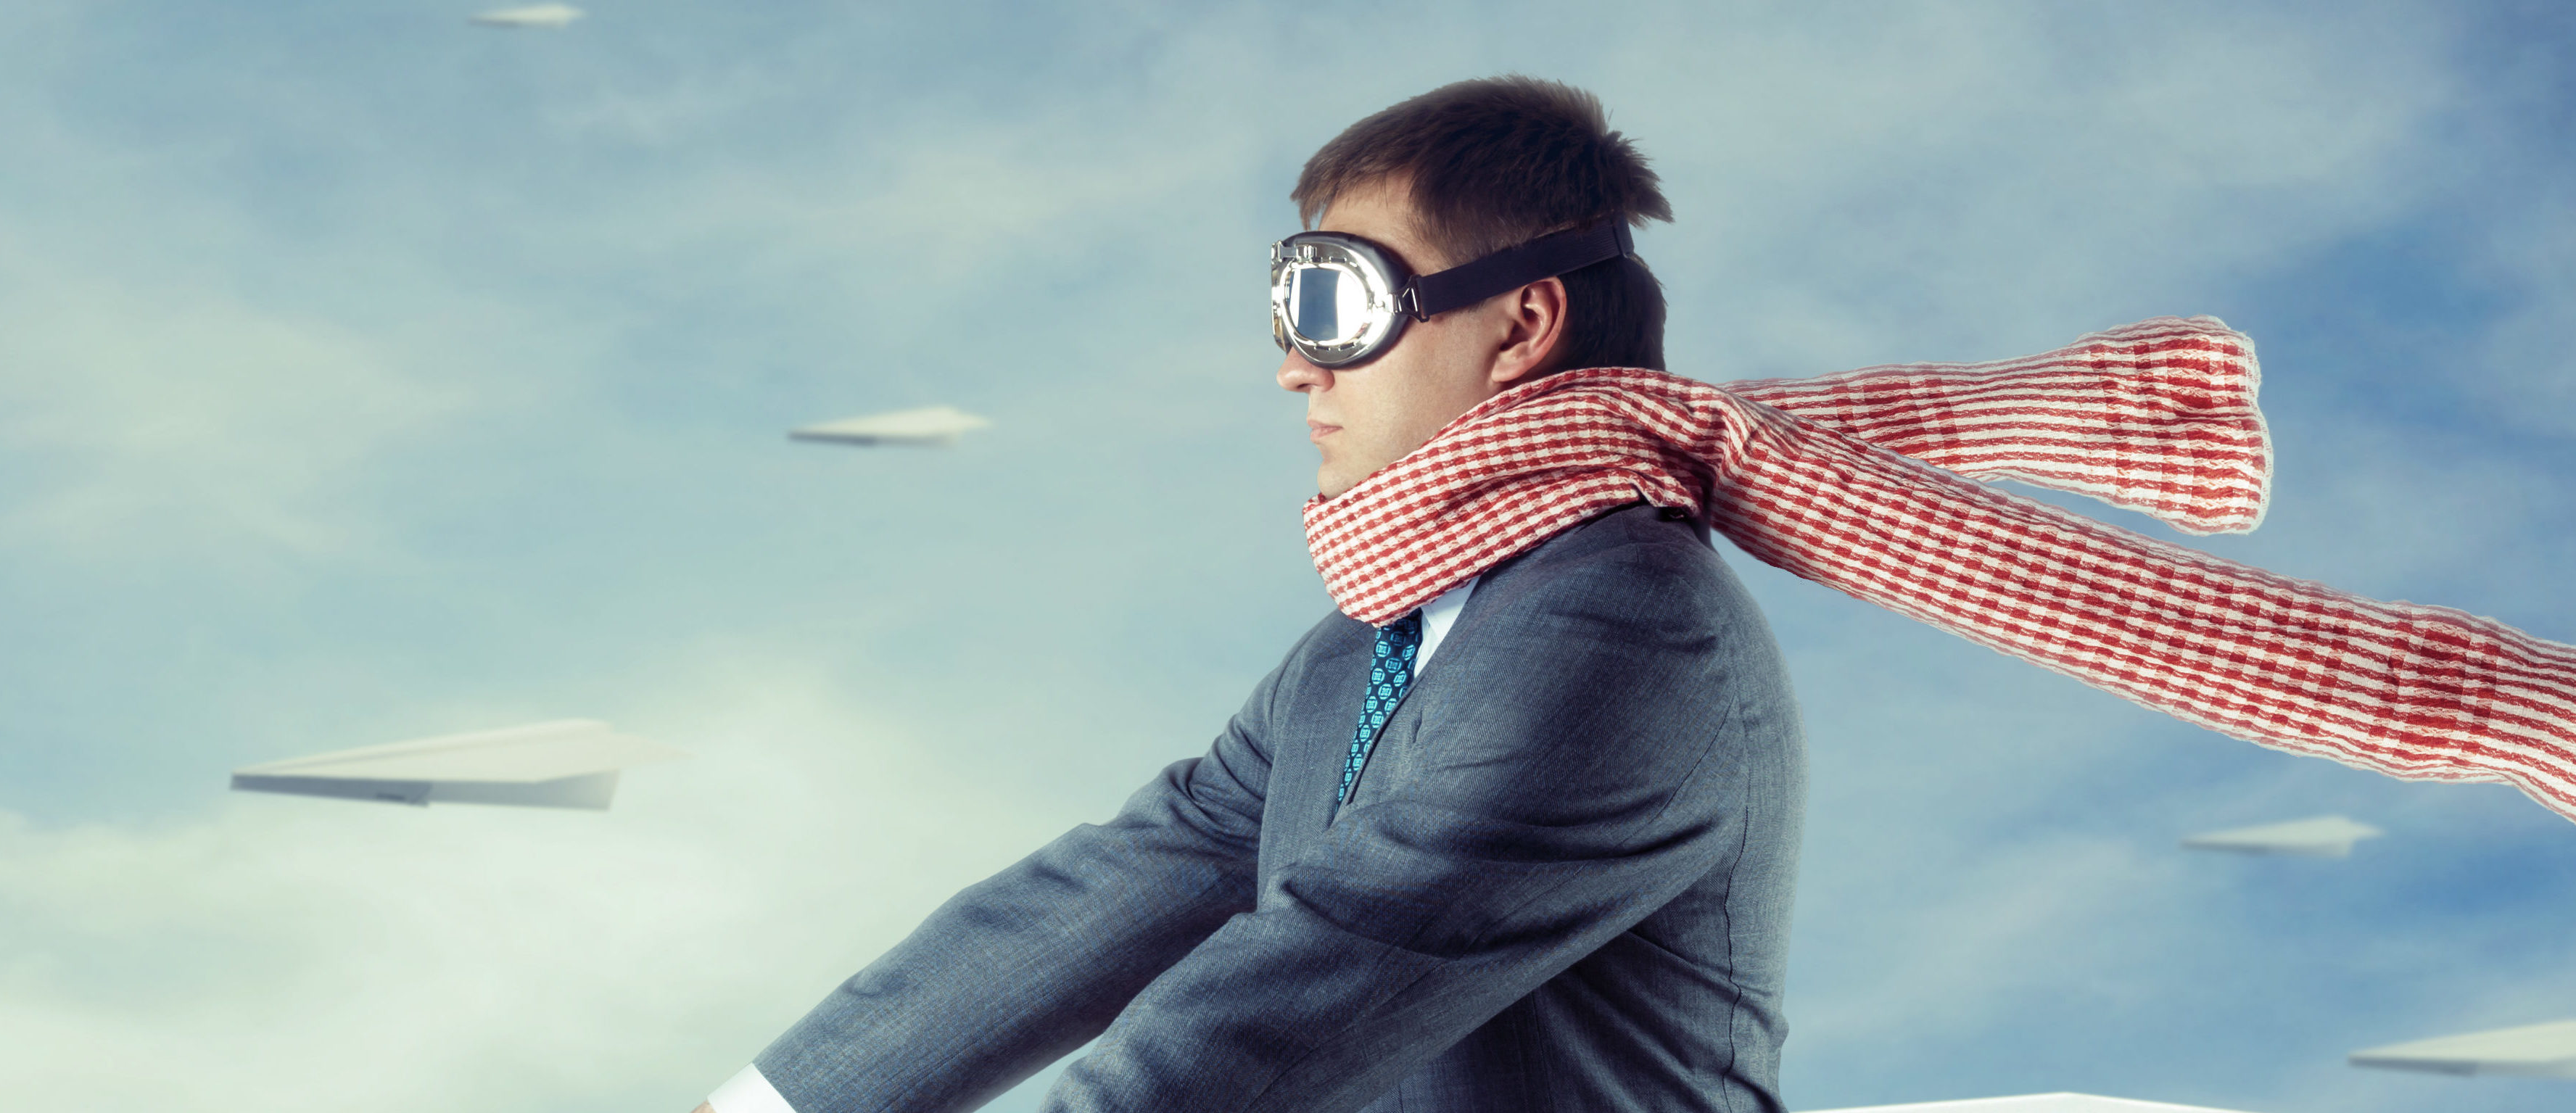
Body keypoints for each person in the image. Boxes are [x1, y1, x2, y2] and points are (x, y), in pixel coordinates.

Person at [694, 75, 1811, 1113]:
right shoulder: (1368, 644)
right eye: (1289, 305)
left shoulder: (1626, 629)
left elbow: (1313, 980)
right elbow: (1138, 878)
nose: (1295, 365)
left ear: (1521, 326)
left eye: (1339, 304)